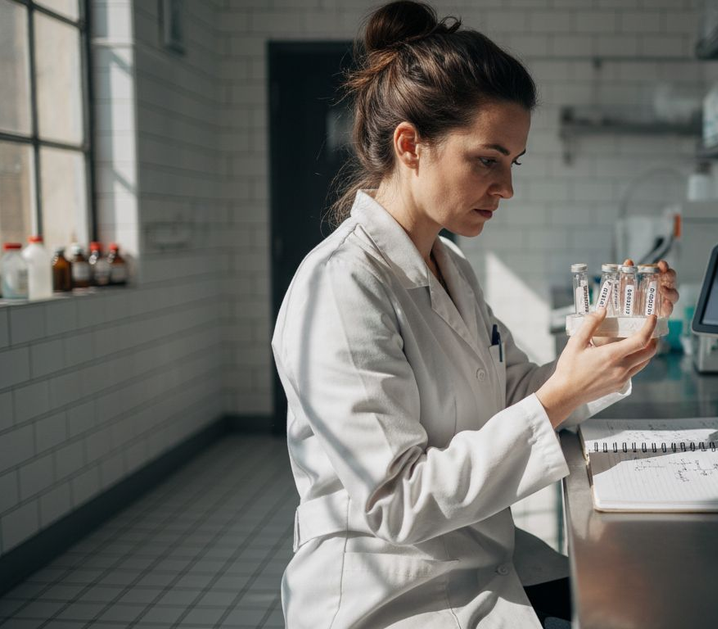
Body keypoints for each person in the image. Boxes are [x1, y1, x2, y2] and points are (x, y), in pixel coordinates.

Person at [271, 2, 679, 627]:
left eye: (513, 163)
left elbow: (512, 388)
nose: (507, 187)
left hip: (477, 553)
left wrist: (615, 344)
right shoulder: (341, 285)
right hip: (392, 590)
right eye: (487, 160)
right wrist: (556, 399)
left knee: (641, 596)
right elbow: (397, 502)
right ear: (411, 145)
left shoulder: (449, 264)